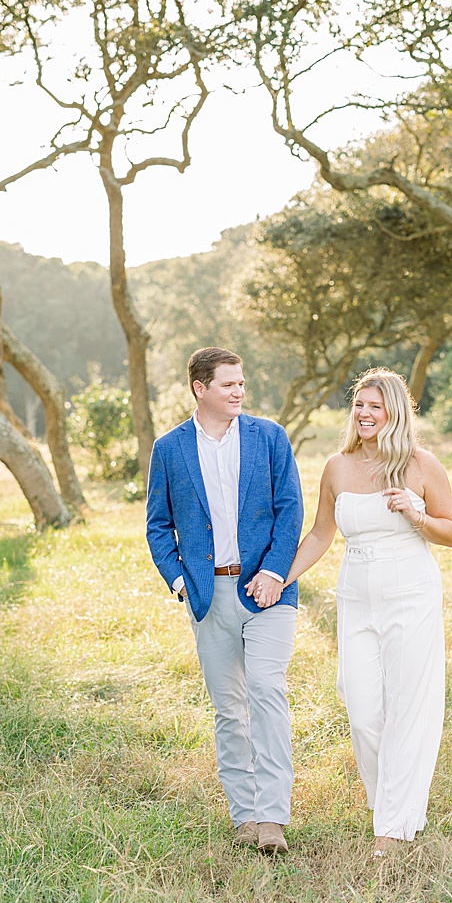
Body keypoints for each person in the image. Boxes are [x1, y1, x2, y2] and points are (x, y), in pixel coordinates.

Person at [283, 367, 452, 857]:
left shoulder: (423, 466)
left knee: (407, 709)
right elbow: (320, 534)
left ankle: (392, 828)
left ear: (395, 413)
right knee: (361, 709)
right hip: (356, 594)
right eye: (359, 405)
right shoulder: (338, 467)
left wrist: (417, 513)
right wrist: (281, 576)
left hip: (410, 591)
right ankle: (395, 805)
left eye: (374, 407)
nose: (364, 414)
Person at [145, 347, 304, 855]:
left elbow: (289, 508)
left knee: (265, 691)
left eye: (241, 383)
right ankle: (245, 815)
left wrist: (276, 572)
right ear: (200, 388)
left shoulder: (269, 437)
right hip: (207, 594)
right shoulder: (169, 449)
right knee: (229, 709)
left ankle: (274, 817)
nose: (239, 391)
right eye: (228, 384)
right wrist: (178, 579)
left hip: (268, 591)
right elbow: (157, 524)